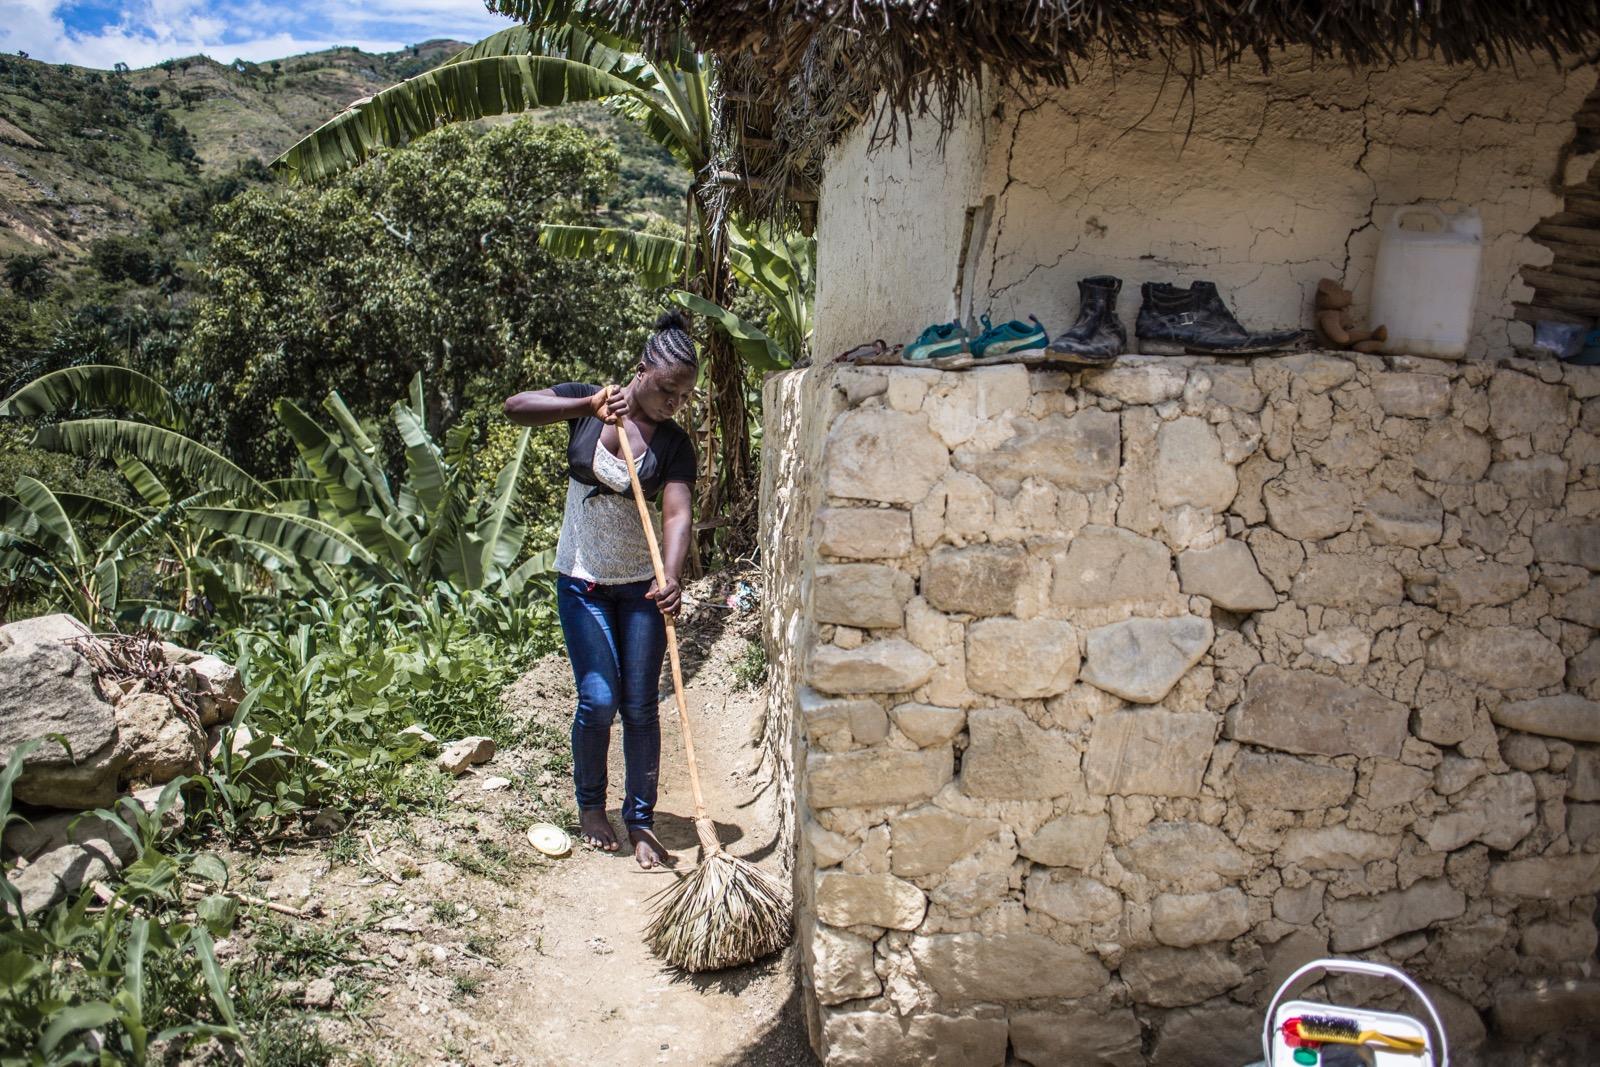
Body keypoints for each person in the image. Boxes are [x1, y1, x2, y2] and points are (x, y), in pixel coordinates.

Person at [503, 311, 698, 869]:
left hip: (641, 590)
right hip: (582, 580)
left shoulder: (675, 444)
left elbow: (677, 514)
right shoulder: (589, 403)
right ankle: (591, 807)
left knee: (640, 705)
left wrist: (671, 576)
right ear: (641, 371)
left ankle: (640, 819)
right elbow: (515, 407)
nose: (673, 403)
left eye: (684, 396)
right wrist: (585, 405)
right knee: (598, 698)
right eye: (666, 390)